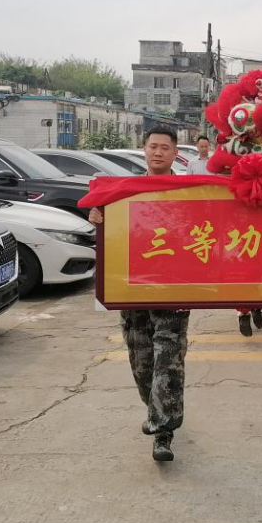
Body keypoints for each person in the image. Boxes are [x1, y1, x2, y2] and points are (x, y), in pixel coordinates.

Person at [88, 126, 190, 462]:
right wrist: (98, 217)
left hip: (174, 290)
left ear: (176, 153)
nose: (158, 152)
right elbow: (109, 232)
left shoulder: (191, 193)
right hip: (131, 288)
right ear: (143, 150)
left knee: (168, 359)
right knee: (142, 361)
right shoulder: (123, 192)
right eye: (153, 147)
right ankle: (154, 409)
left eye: (165, 147)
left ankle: (163, 431)